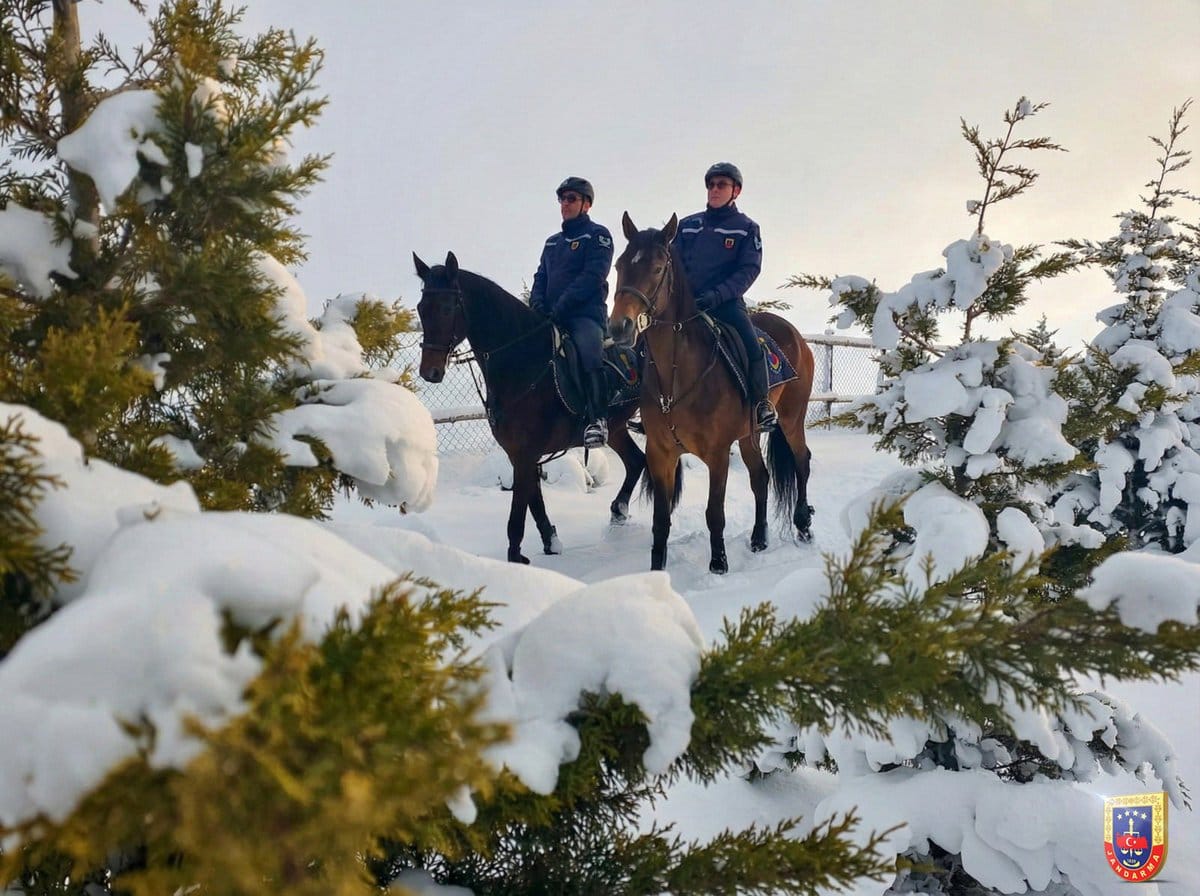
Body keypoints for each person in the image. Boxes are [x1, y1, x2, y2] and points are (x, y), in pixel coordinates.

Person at [673, 161, 776, 432]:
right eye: (711, 184)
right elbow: (673, 264)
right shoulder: (687, 225)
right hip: (686, 306)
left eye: (721, 184)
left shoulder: (747, 228)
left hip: (726, 304)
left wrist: (716, 296)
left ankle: (761, 404)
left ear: (736, 191)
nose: (714, 189)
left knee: (751, 344)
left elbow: (749, 269)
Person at [530, 176, 615, 448]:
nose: (565, 204)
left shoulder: (598, 236)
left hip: (584, 316)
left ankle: (597, 419)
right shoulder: (552, 243)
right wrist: (537, 304)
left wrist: (561, 306)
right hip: (550, 315)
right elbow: (541, 276)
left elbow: (592, 276)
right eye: (562, 199)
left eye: (572, 199)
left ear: (586, 205)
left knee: (589, 351)